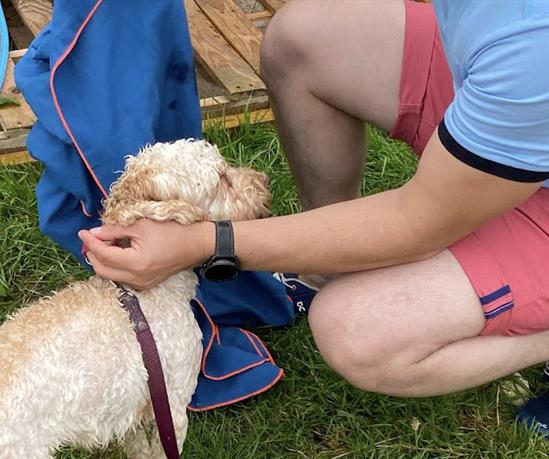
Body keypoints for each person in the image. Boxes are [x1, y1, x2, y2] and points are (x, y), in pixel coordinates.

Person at [78, 0, 549, 436]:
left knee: (357, 330)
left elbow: (420, 221)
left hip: (523, 83)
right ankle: (329, 269)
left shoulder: (531, 44)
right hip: (500, 85)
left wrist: (209, 243)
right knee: (299, 39)